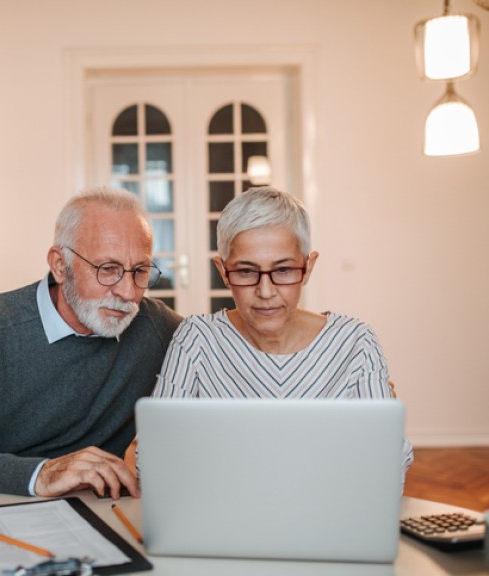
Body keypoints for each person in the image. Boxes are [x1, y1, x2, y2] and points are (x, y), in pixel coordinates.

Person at [0, 186, 182, 502]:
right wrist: (40, 474)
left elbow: (222, 342)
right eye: (107, 269)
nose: (127, 291)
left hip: (98, 515)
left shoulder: (156, 327)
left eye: (140, 271)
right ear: (59, 264)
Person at [149, 186, 413, 477]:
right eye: (246, 272)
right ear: (223, 271)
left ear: (308, 267)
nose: (265, 292)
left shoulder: (355, 342)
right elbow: (155, 457)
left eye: (284, 270)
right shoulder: (196, 339)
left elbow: (389, 465)